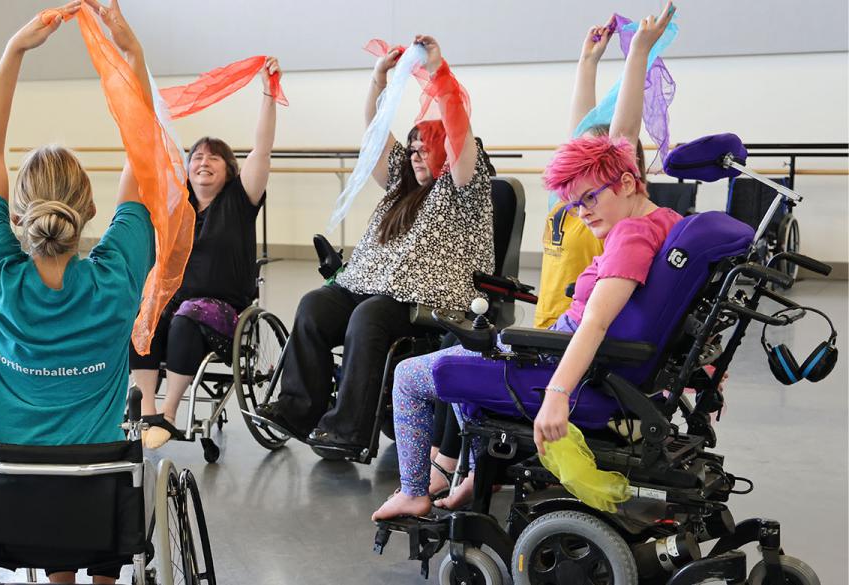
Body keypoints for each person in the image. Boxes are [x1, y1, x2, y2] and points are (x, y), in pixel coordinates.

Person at [374, 134, 681, 520]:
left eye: (590, 198)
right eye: (574, 204)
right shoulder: (666, 220)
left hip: (556, 360)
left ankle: (414, 492)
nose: (582, 213)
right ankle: (476, 472)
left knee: (409, 375)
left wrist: (556, 394)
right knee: (462, 355)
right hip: (564, 350)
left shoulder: (630, 236)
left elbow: (595, 323)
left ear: (626, 183)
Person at [0, 2, 153, 582]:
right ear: (90, 210)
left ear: (17, 213)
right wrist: (132, 55)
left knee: (52, 526)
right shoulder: (116, 276)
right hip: (96, 498)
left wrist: (13, 50)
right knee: (91, 509)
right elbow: (142, 156)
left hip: (6, 495)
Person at [256, 36, 493, 452]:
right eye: (414, 148)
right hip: (369, 286)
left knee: (369, 317)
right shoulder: (400, 188)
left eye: (428, 149)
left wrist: (440, 75)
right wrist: (377, 81)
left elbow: (459, 132)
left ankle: (348, 430)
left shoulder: (462, 187)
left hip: (428, 300)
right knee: (314, 305)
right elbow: (376, 135)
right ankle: (297, 409)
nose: (418, 156)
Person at [130, 57, 280, 449]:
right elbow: (149, 160)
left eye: (213, 156)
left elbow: (262, 149)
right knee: (144, 316)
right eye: (196, 156)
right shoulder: (178, 206)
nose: (203, 161)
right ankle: (146, 411)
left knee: (185, 316)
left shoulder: (240, 199)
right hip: (178, 303)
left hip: (223, 310)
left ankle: (169, 413)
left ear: (229, 169)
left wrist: (267, 94)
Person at [536, 4, 672, 328]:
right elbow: (578, 134)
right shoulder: (569, 202)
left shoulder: (609, 212)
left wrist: (638, 52)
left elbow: (624, 132)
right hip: (545, 328)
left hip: (577, 334)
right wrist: (587, 62)